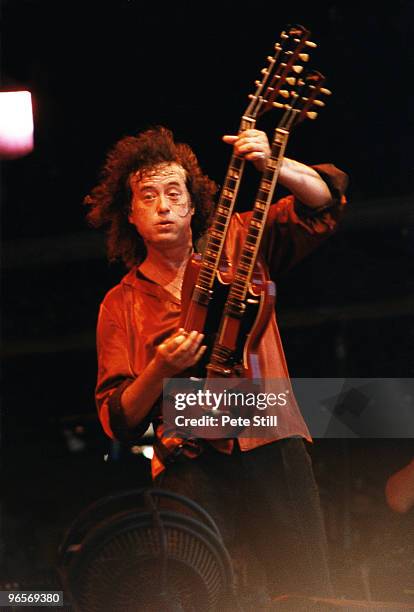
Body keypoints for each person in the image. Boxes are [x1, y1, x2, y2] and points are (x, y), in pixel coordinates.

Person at [85, 125, 348, 605]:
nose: (163, 206)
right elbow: (117, 417)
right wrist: (159, 370)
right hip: (188, 460)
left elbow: (322, 205)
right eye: (149, 196)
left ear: (192, 204)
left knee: (306, 589)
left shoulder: (240, 241)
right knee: (197, 593)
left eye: (173, 192)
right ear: (131, 214)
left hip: (266, 432)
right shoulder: (119, 303)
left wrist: (274, 165)